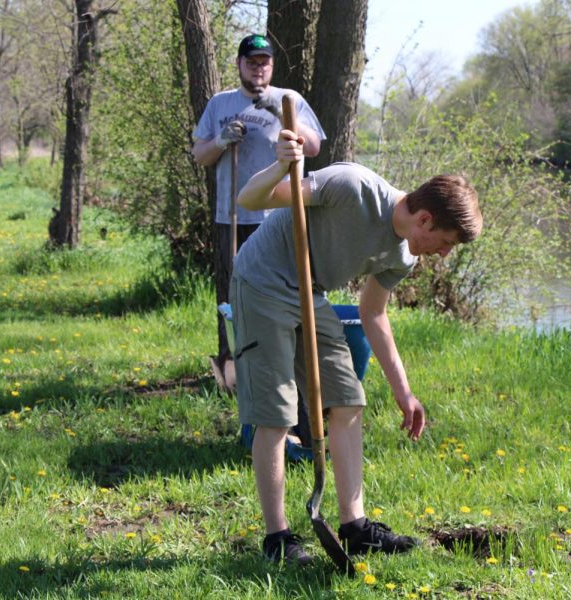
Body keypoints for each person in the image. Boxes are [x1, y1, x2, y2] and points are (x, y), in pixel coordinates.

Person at [230, 127, 482, 565]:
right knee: (276, 413)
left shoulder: (403, 254)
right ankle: (278, 540)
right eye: (444, 243)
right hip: (262, 282)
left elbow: (374, 314)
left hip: (311, 293)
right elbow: (250, 200)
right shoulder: (353, 187)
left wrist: (404, 392)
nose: (442, 255)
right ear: (425, 220)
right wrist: (279, 163)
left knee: (347, 400)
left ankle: (355, 526)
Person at [191, 34, 326, 386]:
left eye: (264, 62)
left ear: (272, 66)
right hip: (231, 216)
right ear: (239, 64)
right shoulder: (220, 104)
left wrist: (278, 115)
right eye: (251, 62)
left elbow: (312, 146)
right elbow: (199, 155)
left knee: (285, 288)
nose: (258, 68)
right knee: (233, 292)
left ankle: (286, 367)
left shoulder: (288, 100)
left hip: (278, 218)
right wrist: (220, 141)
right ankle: (235, 366)